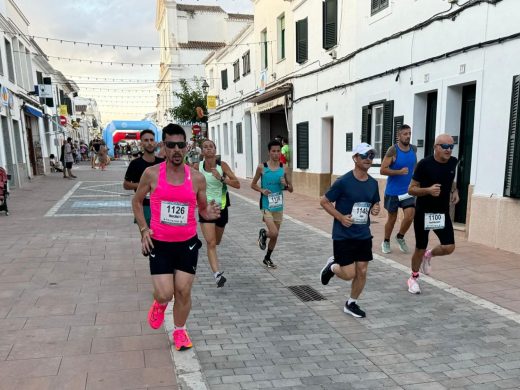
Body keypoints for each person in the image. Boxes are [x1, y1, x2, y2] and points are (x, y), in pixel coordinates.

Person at [133, 123, 220, 351]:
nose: (176, 150)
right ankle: (160, 303)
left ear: (187, 146)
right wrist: (144, 230)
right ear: (164, 147)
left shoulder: (197, 178)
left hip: (187, 244)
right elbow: (136, 202)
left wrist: (207, 213)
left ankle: (180, 331)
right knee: (165, 293)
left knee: (183, 290)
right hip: (159, 243)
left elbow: (201, 208)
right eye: (171, 145)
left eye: (180, 145)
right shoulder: (151, 174)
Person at [319, 143, 381, 318]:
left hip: (363, 234)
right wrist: (340, 217)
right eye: (364, 156)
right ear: (355, 158)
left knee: (362, 270)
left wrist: (375, 209)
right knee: (348, 274)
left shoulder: (373, 183)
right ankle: (332, 267)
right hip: (343, 235)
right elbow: (324, 201)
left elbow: (374, 203)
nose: (368, 159)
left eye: (371, 155)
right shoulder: (343, 182)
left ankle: (351, 303)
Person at [406, 133, 459, 294]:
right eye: (444, 146)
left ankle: (430, 255)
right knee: (419, 248)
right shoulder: (424, 164)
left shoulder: (453, 162)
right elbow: (411, 189)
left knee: (449, 247)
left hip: (441, 212)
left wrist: (454, 190)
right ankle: (413, 278)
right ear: (436, 147)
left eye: (451, 146)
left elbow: (450, 179)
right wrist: (428, 190)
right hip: (424, 212)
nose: (448, 150)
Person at [194, 139, 240, 287]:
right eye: (205, 147)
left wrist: (221, 178)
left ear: (215, 150)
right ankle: (217, 275)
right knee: (211, 242)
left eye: (211, 147)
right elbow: (189, 185)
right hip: (205, 209)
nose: (208, 149)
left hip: (221, 209)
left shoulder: (222, 166)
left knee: (217, 241)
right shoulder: (197, 167)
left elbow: (237, 184)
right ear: (202, 151)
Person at [251, 139, 293, 268]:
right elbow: (253, 185)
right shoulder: (262, 167)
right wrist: (262, 190)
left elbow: (291, 189)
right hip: (266, 204)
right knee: (273, 232)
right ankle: (263, 233)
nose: (276, 153)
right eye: (273, 151)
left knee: (275, 236)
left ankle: (267, 258)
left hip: (278, 205)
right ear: (269, 152)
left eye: (278, 151)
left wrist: (285, 184)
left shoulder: (284, 168)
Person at [380, 124, 417, 254]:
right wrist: (398, 172)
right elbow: (382, 170)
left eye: (409, 133)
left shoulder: (414, 149)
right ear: (399, 135)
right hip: (393, 191)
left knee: (410, 215)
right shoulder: (393, 150)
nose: (408, 136)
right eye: (405, 134)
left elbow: (414, 167)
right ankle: (386, 241)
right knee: (392, 219)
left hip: (408, 191)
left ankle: (400, 236)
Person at [124, 129, 164, 226]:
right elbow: (126, 185)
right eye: (146, 140)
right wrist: (144, 185)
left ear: (155, 142)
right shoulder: (135, 164)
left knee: (162, 238)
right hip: (144, 206)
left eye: (151, 140)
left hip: (161, 206)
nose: (149, 143)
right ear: (141, 143)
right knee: (147, 239)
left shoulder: (162, 162)